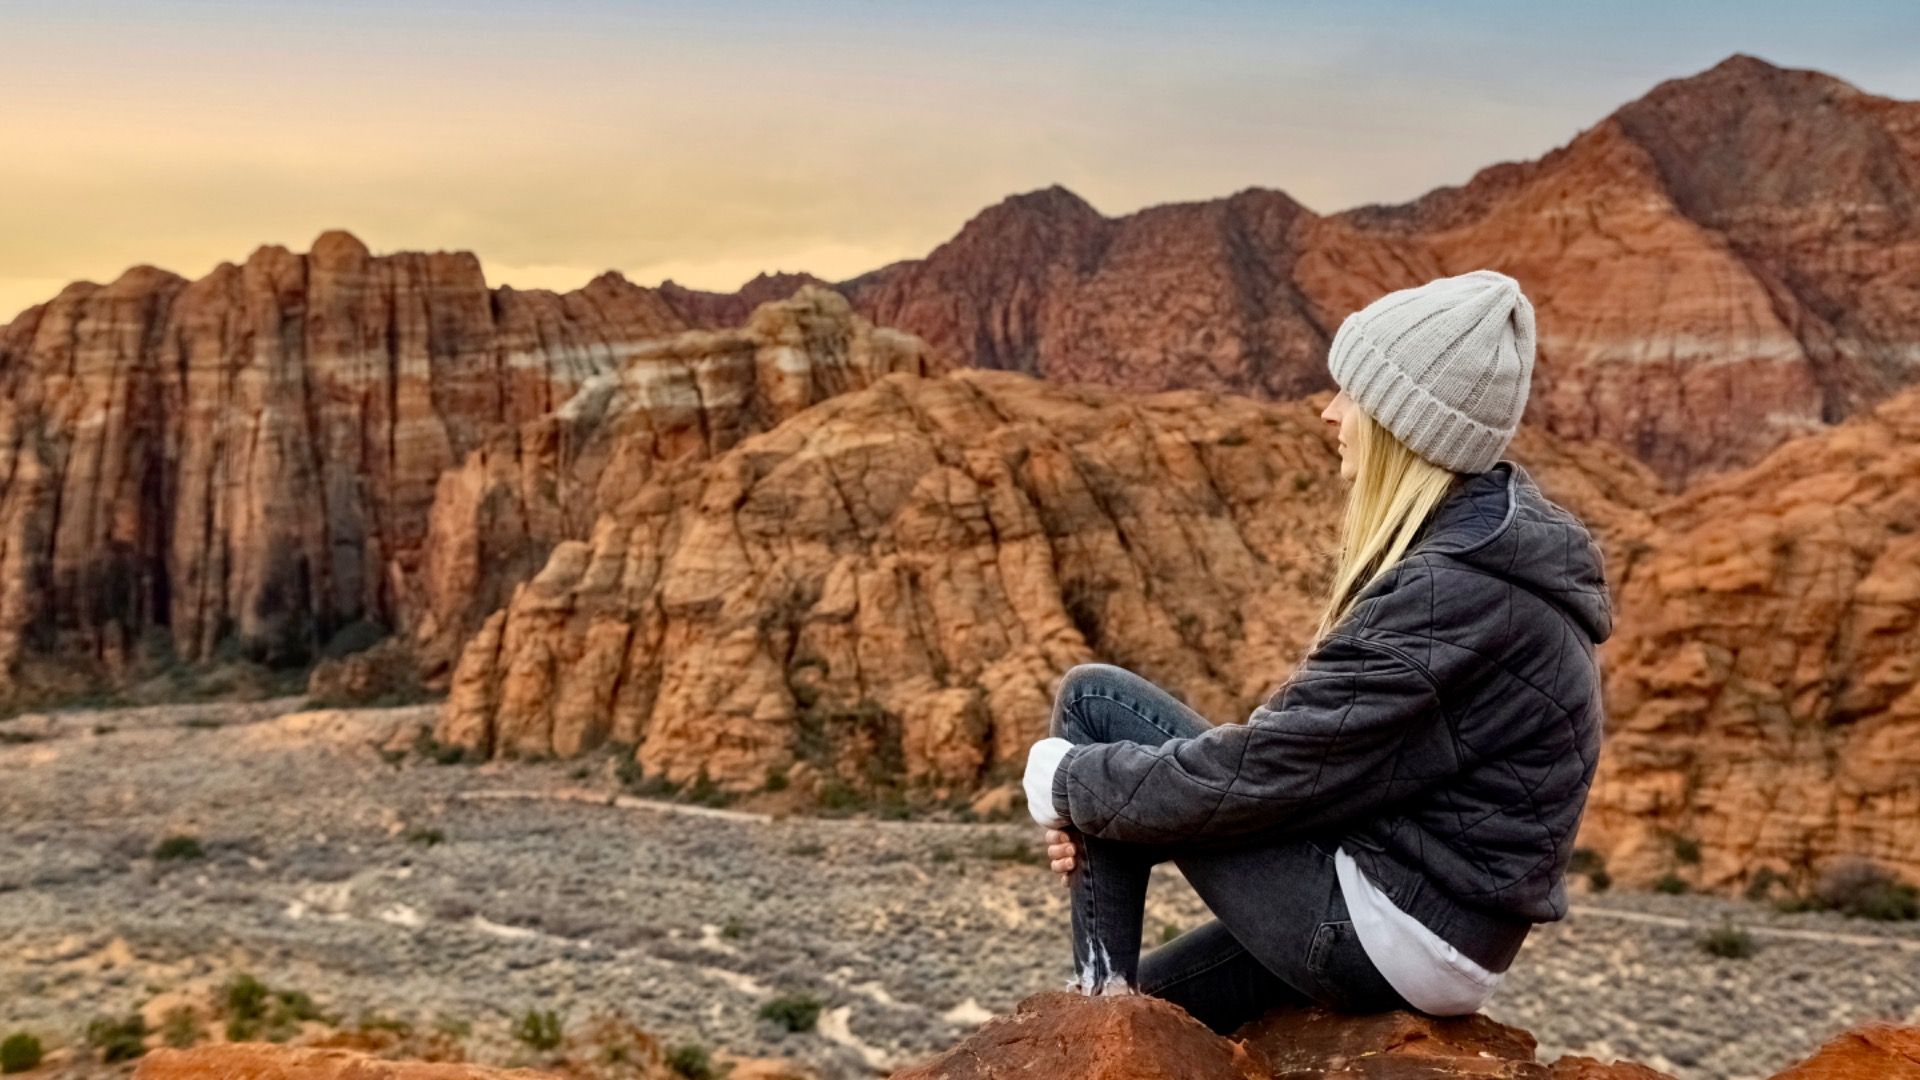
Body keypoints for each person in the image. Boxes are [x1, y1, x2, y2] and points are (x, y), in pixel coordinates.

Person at [1020, 268, 1613, 1035]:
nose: (1330, 413)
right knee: (1169, 1008)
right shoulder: (1492, 550)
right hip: (1429, 921)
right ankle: (1116, 1022)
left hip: (1394, 931)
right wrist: (1103, 815)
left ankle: (1095, 1016)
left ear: (1404, 426)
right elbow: (1318, 769)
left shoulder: (1450, 588)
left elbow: (1270, 771)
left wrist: (1071, 785)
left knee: (1094, 706)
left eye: (1351, 395)